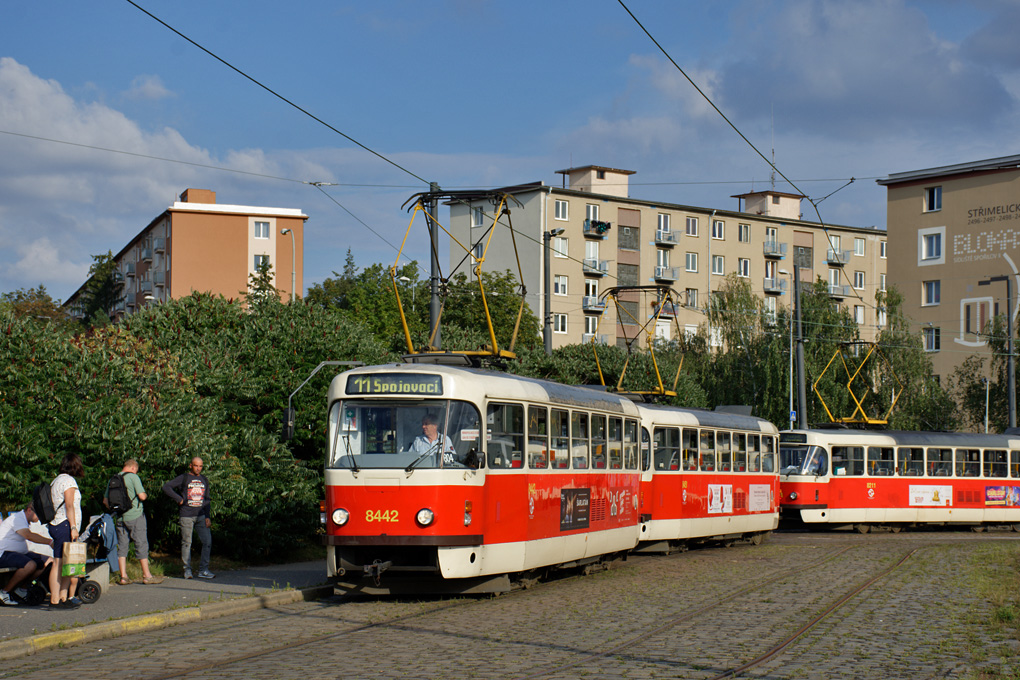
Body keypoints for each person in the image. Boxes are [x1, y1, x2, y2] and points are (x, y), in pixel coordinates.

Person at [104, 459, 163, 585]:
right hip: (135, 516)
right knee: (141, 543)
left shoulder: (113, 479)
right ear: (133, 468)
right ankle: (147, 575)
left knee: (122, 546)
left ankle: (123, 576)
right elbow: (141, 496)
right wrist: (145, 496)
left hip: (120, 518)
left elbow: (105, 501)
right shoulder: (133, 477)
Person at [162, 457, 213, 579]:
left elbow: (207, 499)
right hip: (186, 515)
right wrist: (178, 499)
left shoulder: (204, 479)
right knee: (187, 543)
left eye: (200, 466)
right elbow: (166, 487)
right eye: (196, 466)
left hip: (201, 516)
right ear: (191, 465)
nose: (198, 468)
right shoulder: (184, 478)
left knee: (207, 542)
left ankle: (203, 570)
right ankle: (187, 570)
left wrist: (207, 516)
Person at [48, 452, 84, 609]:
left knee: (64, 563)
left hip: (56, 524)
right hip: (64, 525)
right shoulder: (69, 481)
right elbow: (69, 505)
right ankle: (55, 600)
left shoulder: (55, 481)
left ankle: (63, 598)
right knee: (59, 563)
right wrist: (74, 527)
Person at [0, 504, 53, 606]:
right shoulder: (17, 519)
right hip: (3, 554)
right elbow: (28, 536)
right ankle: (4, 592)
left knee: (47, 560)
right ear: (29, 510)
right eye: (39, 514)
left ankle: (22, 589)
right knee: (30, 565)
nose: (40, 517)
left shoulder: (24, 520)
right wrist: (50, 542)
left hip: (16, 553)